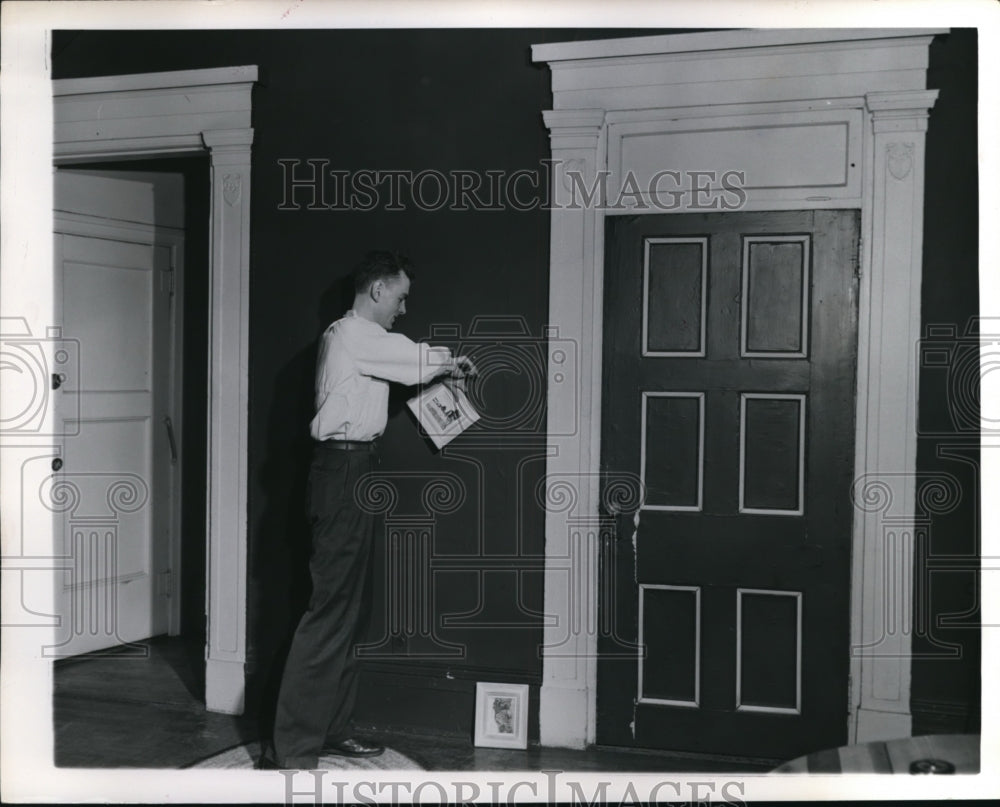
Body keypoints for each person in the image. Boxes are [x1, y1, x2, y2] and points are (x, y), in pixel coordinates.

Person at [262, 251, 476, 769]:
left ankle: (330, 730)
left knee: (351, 612)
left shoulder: (361, 342)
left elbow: (403, 364)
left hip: (356, 470)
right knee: (330, 611)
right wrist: (451, 361)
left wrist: (445, 368)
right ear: (377, 290)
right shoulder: (352, 334)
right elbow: (412, 358)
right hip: (341, 472)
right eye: (400, 297)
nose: (403, 308)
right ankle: (292, 751)